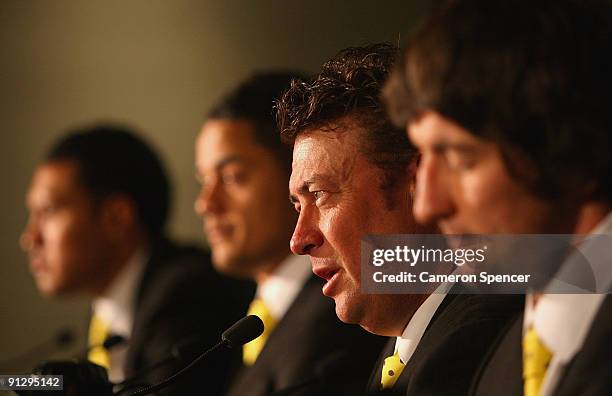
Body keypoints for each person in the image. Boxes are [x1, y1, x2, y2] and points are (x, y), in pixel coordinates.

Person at [384, 1, 612, 395]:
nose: (426, 205)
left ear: (573, 146)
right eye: (423, 161)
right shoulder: (503, 358)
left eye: (459, 158)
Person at [278, 43, 522, 395]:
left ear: (419, 183)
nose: (299, 240)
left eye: (318, 194)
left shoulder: (470, 343)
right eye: (298, 205)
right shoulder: (410, 342)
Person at [20, 124, 251, 395]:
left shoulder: (188, 294)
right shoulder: (106, 315)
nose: (30, 238)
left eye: (47, 211)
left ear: (116, 217)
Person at [194, 71, 385, 396]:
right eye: (203, 181)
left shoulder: (343, 315)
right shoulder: (233, 314)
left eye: (231, 177)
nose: (205, 204)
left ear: (296, 173)